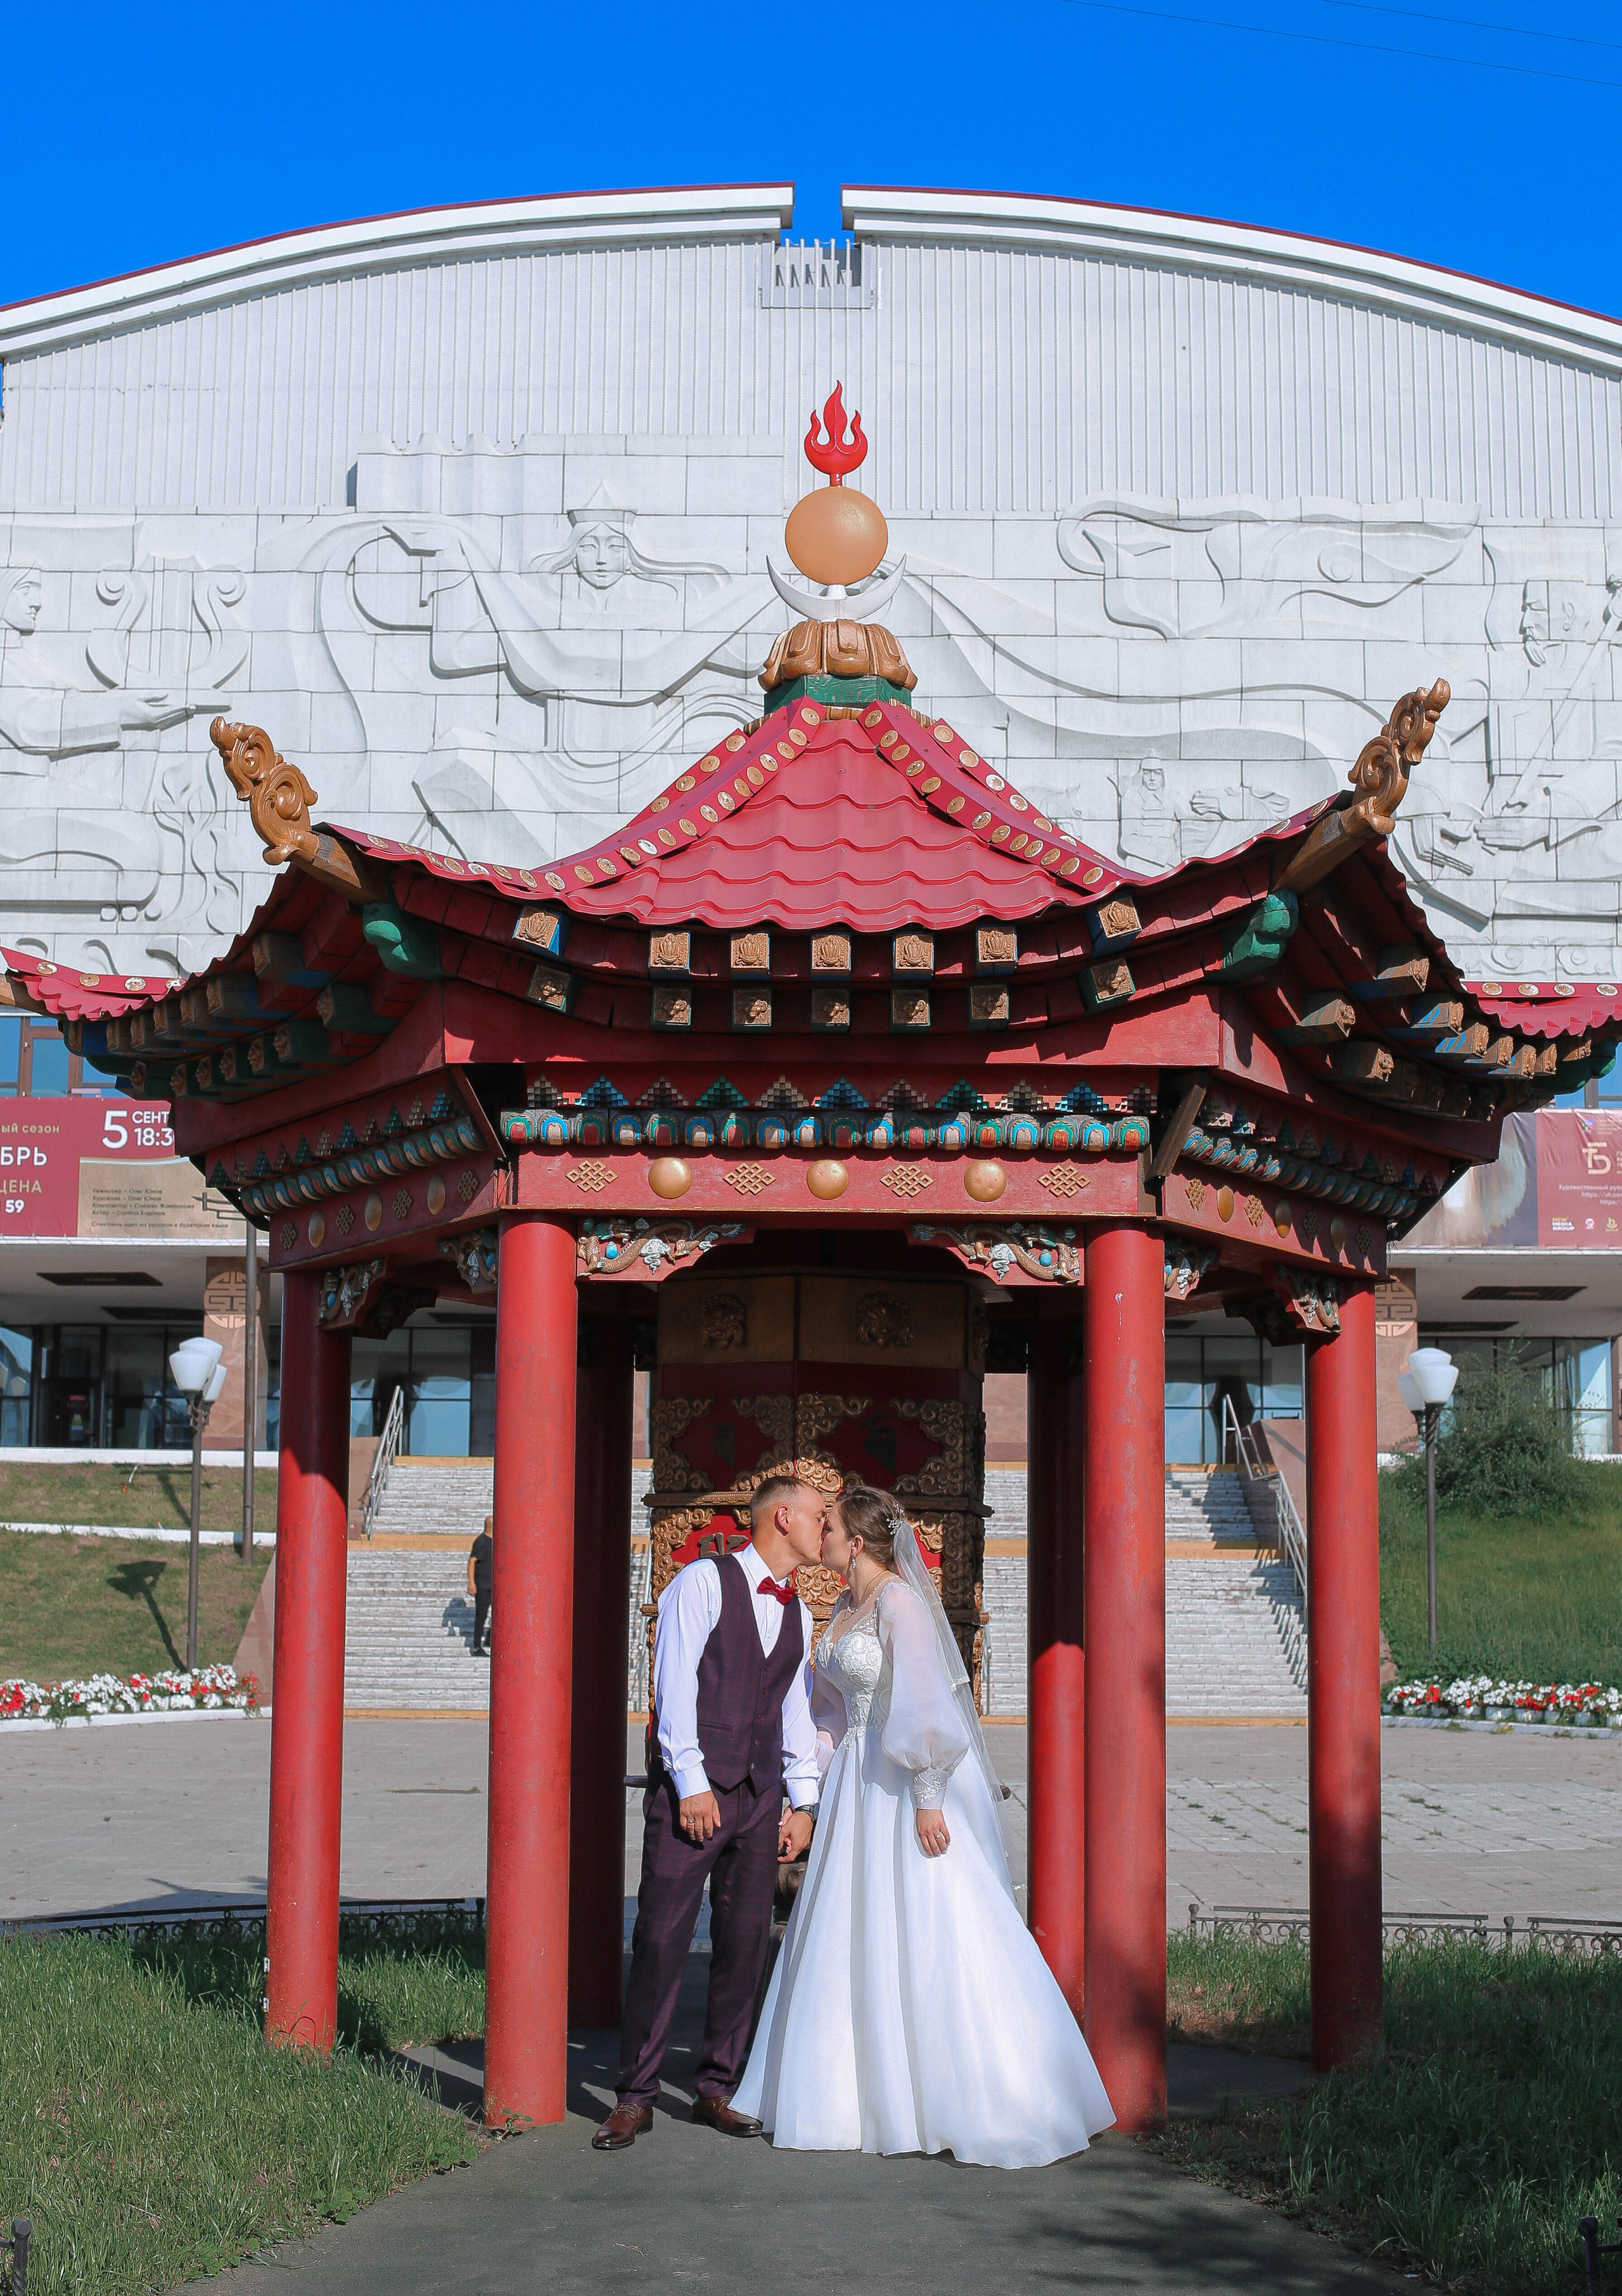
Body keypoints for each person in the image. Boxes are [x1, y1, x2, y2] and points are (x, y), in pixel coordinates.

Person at [732, 1484, 1114, 2167]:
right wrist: (808, 1788)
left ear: (856, 1542)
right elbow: (827, 1712)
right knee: (849, 1927)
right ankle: (851, 2091)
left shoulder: (900, 1603)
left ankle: (965, 2090)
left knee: (929, 1918)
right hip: (853, 1777)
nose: (820, 1536)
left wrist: (931, 1793)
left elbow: (926, 1701)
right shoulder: (843, 1608)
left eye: (831, 1528)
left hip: (902, 1781)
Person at [593, 1475, 827, 2152]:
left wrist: (803, 1801)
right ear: (782, 1516)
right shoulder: (700, 1582)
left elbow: (793, 1709)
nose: (826, 1525)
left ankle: (717, 2086)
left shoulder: (797, 1609)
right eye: (818, 1514)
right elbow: (673, 1685)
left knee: (746, 1941)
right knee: (662, 1940)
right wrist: (691, 1782)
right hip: (692, 1794)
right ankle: (635, 2095)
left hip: (759, 1798)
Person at [467, 1515, 492, 1657]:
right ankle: (477, 1646)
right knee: (481, 1615)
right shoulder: (481, 1542)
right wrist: (472, 1583)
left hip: (494, 1586)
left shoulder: (495, 1541)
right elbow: (472, 1561)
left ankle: (490, 1638)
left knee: (498, 1614)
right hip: (482, 1586)